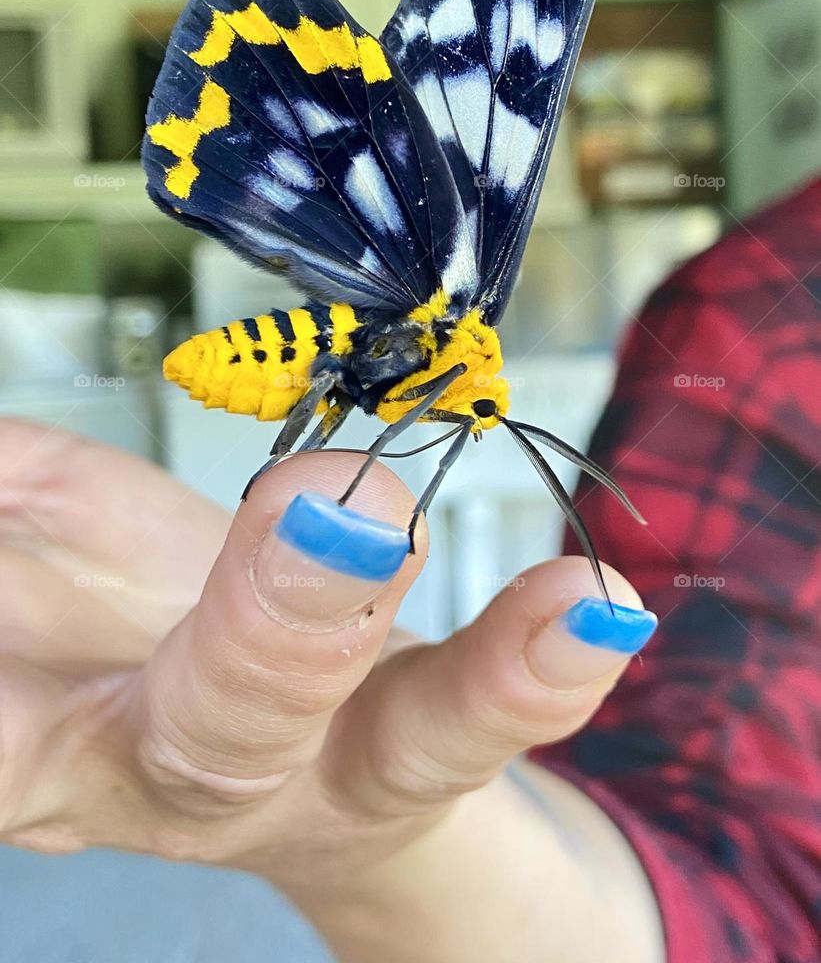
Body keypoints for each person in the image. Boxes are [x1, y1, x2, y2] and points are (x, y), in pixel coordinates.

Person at [0, 177, 817, 962]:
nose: (473, 425)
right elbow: (730, 856)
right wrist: (378, 830)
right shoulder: (764, 303)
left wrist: (359, 829)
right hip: (288, 350)